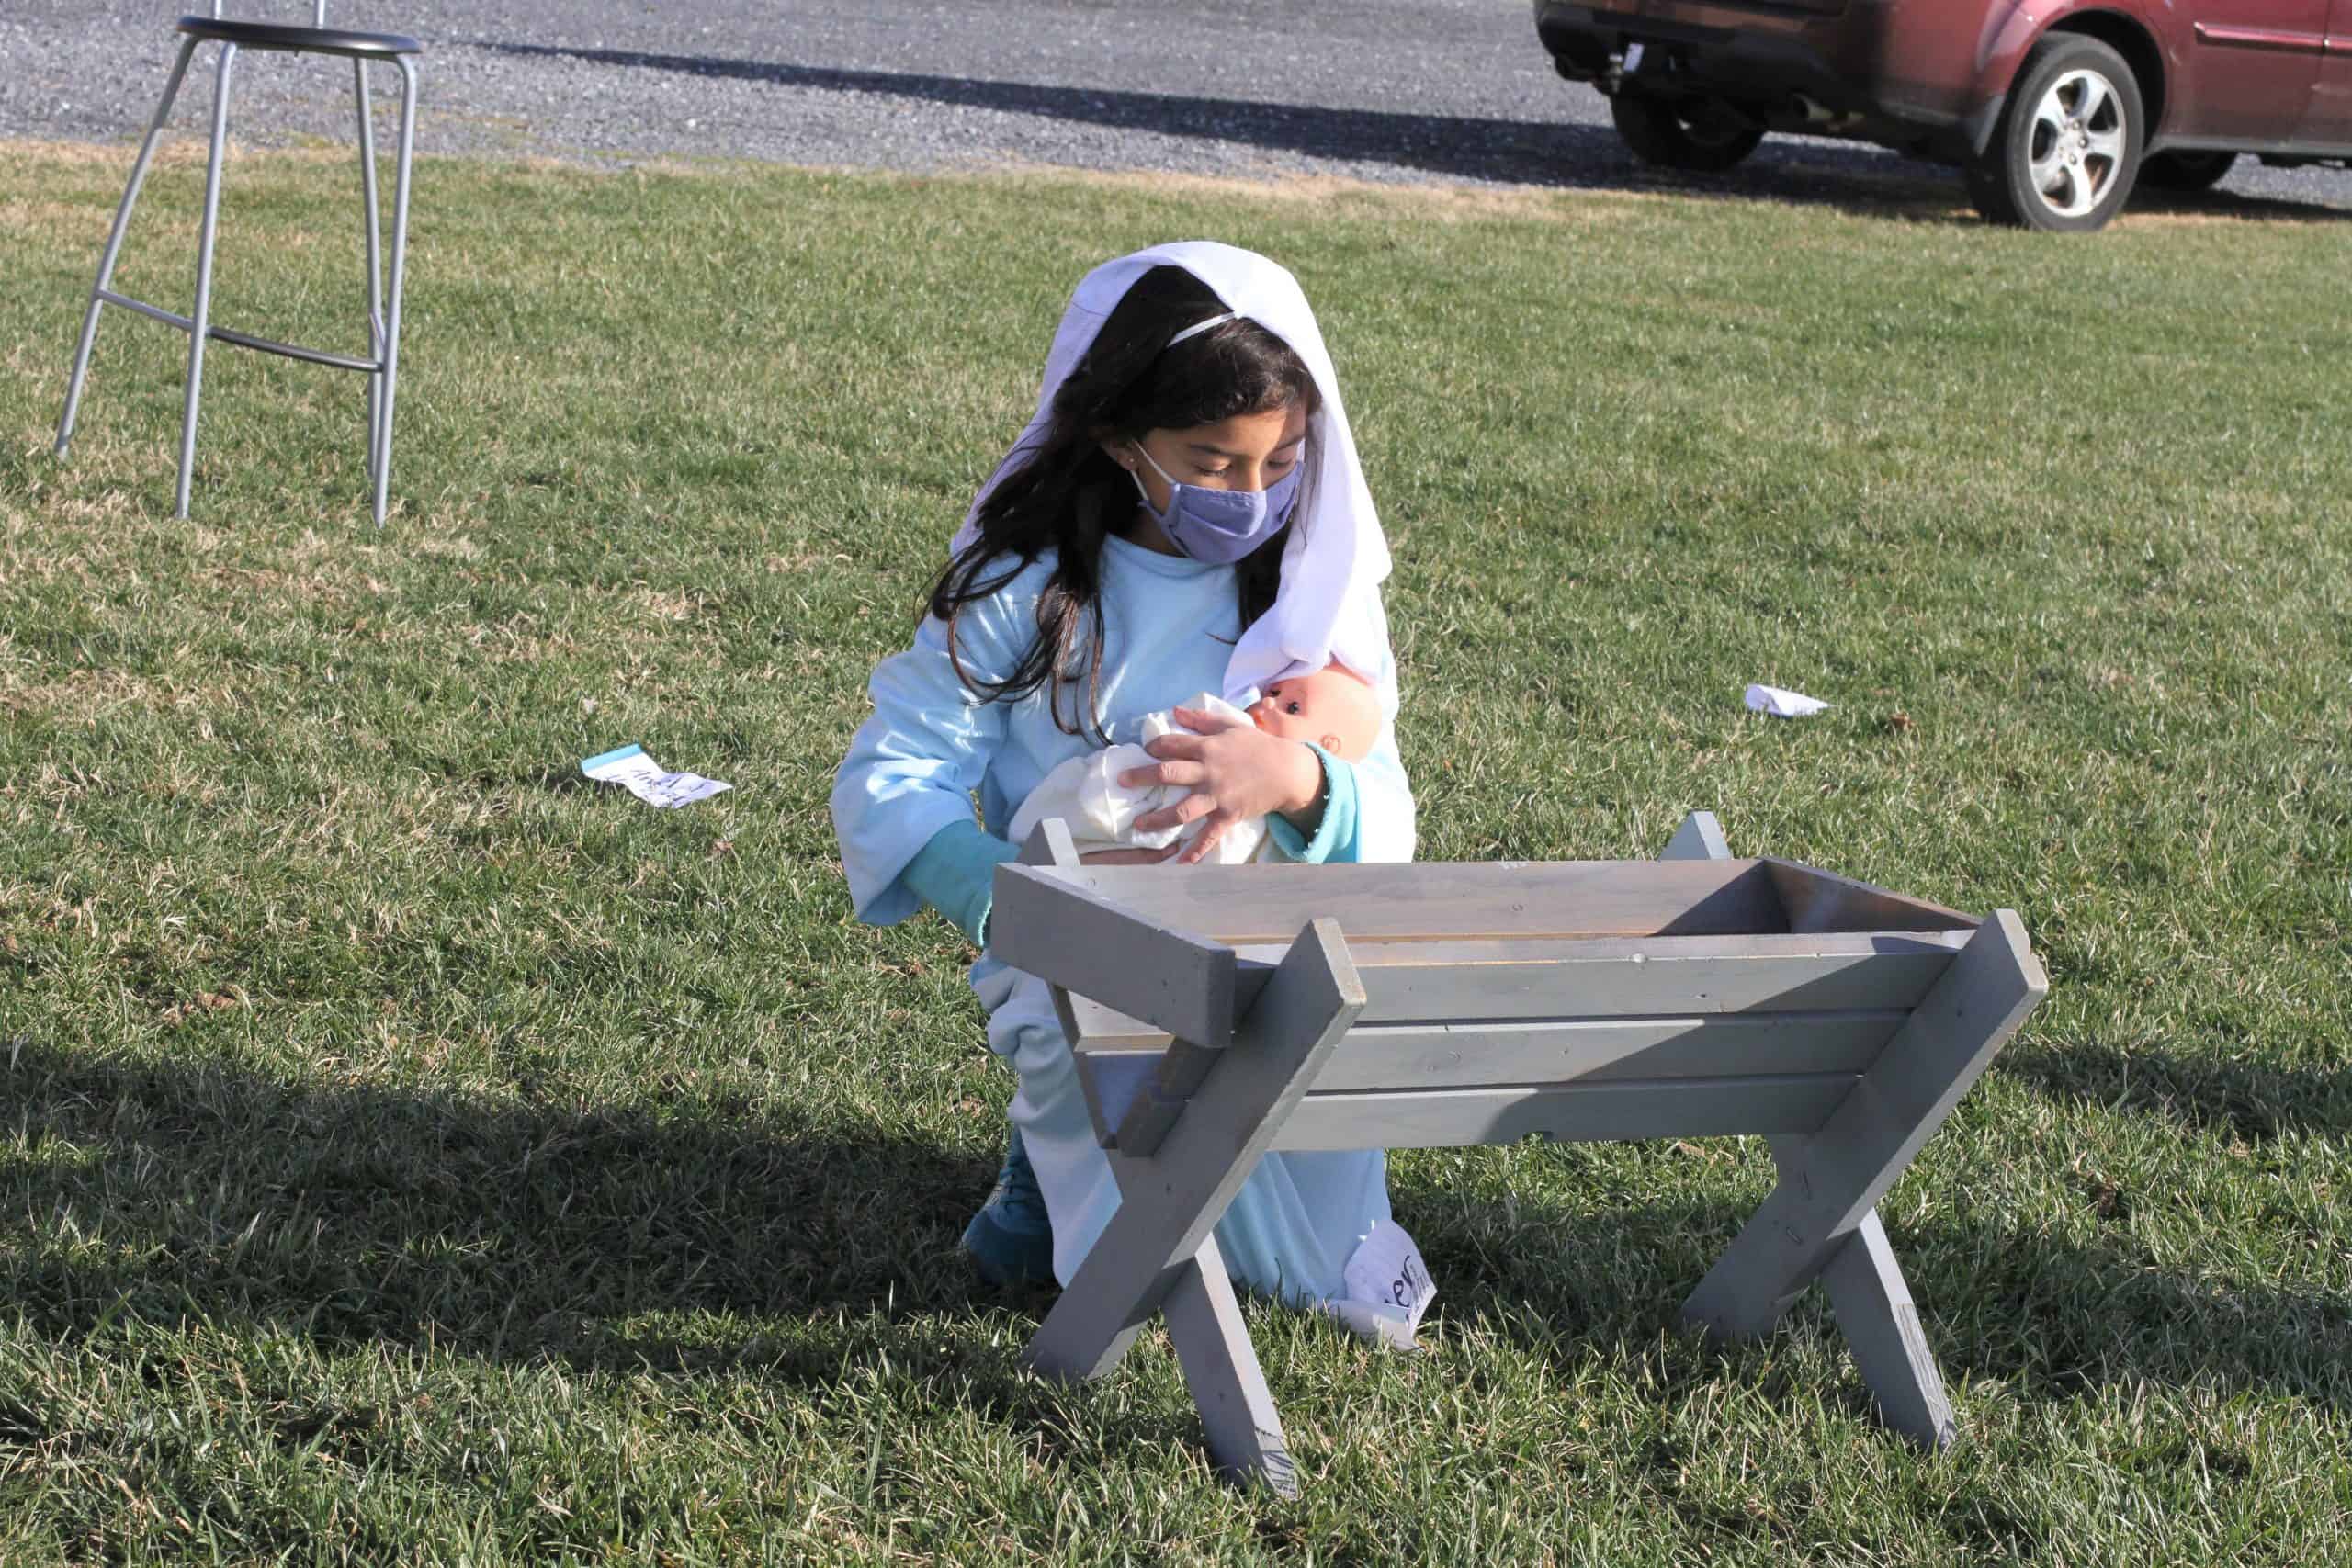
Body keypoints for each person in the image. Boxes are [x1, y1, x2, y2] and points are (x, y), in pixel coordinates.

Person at [831, 242, 1430, 1337]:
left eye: (1283, 461)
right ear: (1118, 438)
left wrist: (1297, 780)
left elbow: (1385, 818)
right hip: (1078, 951)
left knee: (1312, 1247)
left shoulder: (1308, 599)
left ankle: (1062, 1173)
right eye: (1213, 462)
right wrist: (1015, 900)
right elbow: (898, 768)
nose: (1252, 495)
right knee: (1121, 1148)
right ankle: (1058, 1166)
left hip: (1275, 956)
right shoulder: (1030, 589)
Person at [1005, 663, 1385, 865]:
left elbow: (1380, 835)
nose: (1268, 702)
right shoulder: (1227, 724)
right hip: (1103, 851)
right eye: (1274, 691)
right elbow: (1171, 733)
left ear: (1327, 748)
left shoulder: (1305, 814)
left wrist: (1296, 777)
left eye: (1293, 707)